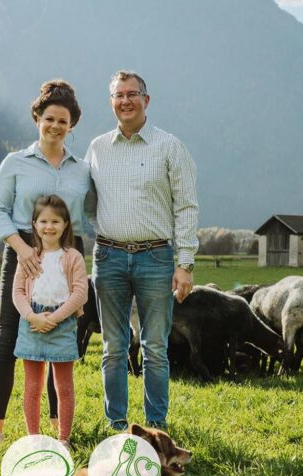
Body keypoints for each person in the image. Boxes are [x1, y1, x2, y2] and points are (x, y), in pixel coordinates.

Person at [85, 70, 199, 431]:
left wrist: (185, 263)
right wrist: (107, 229)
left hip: (156, 257)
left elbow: (186, 206)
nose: (125, 101)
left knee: (154, 348)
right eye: (119, 95)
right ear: (111, 102)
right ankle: (116, 425)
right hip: (109, 257)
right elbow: (89, 203)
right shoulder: (97, 148)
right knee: (114, 347)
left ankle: (155, 427)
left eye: (132, 94)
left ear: (146, 100)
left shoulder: (169, 147)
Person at [0, 80, 90, 447]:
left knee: (59, 337)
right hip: (23, 251)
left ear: (72, 125)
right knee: (7, 339)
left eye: (63, 120)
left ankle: (57, 429)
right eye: (49, 118)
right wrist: (21, 248)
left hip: (68, 254)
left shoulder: (83, 169)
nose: (55, 126)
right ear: (37, 118)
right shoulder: (15, 162)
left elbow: (92, 215)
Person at [12, 195, 88, 447]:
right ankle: (33, 438)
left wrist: (54, 318)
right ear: (34, 224)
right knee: (32, 387)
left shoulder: (73, 257)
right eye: (43, 221)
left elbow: (80, 293)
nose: (49, 226)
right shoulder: (29, 257)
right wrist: (32, 316)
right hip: (31, 323)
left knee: (64, 387)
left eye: (56, 221)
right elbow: (18, 292)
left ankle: (63, 439)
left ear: (65, 224)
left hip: (62, 324)